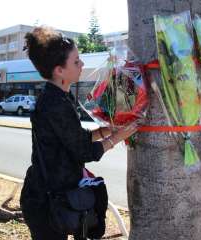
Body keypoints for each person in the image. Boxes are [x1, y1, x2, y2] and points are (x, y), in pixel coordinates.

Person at [20, 26, 138, 240]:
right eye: (76, 61)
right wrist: (118, 136)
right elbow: (83, 151)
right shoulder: (56, 103)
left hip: (49, 196)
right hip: (46, 202)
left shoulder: (58, 96)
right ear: (59, 70)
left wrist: (104, 131)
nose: (82, 64)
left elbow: (71, 139)